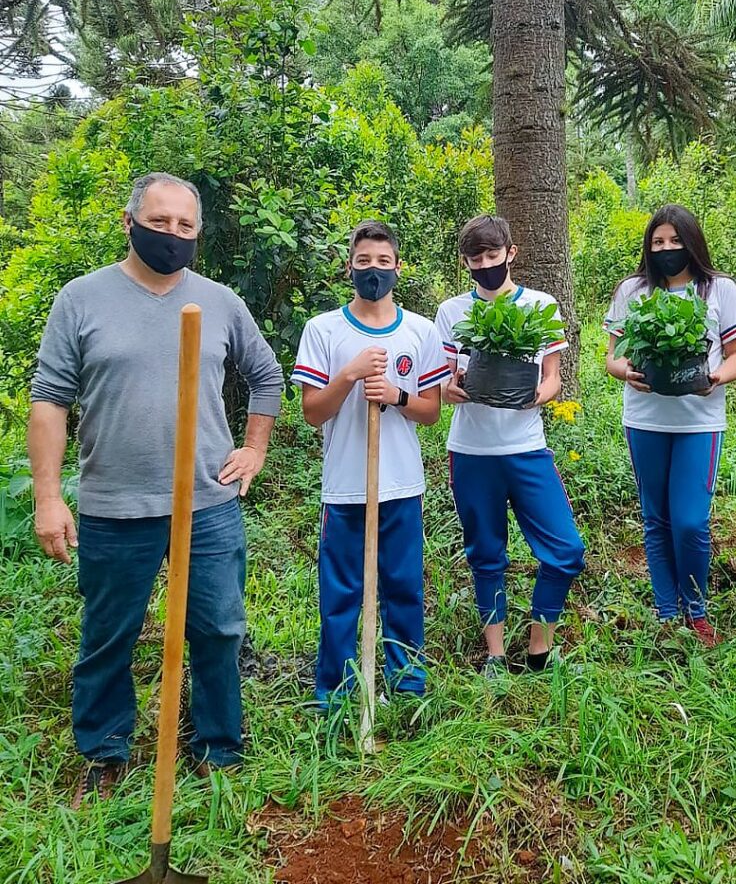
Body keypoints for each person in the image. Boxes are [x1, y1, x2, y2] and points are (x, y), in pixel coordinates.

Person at [28, 172, 284, 807]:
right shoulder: (81, 299)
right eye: (160, 221)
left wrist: (252, 448)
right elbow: (50, 401)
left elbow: (267, 375)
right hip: (116, 505)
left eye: (185, 226)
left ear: (198, 232)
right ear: (130, 221)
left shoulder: (219, 301)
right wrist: (48, 495)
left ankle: (217, 747)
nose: (172, 235)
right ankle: (104, 750)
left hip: (208, 504)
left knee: (219, 627)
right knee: (109, 632)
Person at [293, 220, 449, 706]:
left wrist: (397, 394)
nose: (374, 270)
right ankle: (337, 694)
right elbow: (312, 411)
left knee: (403, 588)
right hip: (345, 489)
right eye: (364, 262)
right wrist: (349, 375)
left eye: (383, 262)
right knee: (340, 594)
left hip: (401, 485)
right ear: (350, 267)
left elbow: (431, 411)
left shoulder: (420, 330)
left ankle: (406, 687)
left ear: (398, 267)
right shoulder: (323, 329)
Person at [435, 215, 585, 678]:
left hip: (526, 447)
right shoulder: (452, 311)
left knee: (565, 550)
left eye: (492, 256)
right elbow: (442, 379)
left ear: (511, 254)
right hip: (472, 450)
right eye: (475, 259)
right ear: (466, 262)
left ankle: (540, 649)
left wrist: (542, 393)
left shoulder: (541, 306)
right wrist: (449, 388)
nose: (484, 265)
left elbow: (553, 376)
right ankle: (495, 655)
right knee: (486, 552)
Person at [604, 205, 736, 646]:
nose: (667, 249)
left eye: (675, 241)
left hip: (699, 422)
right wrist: (624, 371)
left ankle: (697, 608)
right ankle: (667, 611)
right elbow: (611, 355)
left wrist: (715, 378)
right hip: (645, 418)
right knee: (656, 518)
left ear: (692, 242)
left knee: (690, 521)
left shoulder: (718, 289)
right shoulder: (634, 290)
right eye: (658, 242)